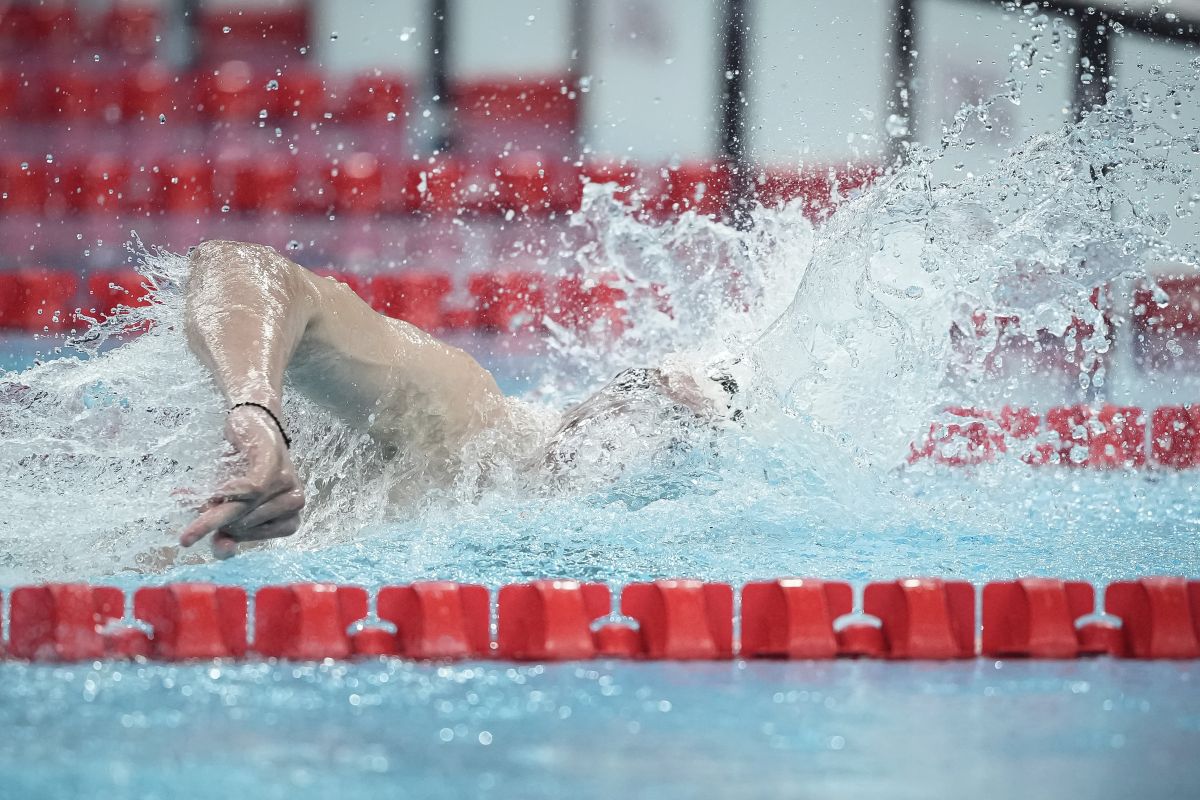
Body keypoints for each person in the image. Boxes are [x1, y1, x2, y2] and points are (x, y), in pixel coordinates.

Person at [180, 240, 738, 559]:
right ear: (603, 399)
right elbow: (238, 266)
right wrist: (256, 412)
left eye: (680, 433)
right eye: (650, 397)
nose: (647, 437)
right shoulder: (471, 424)